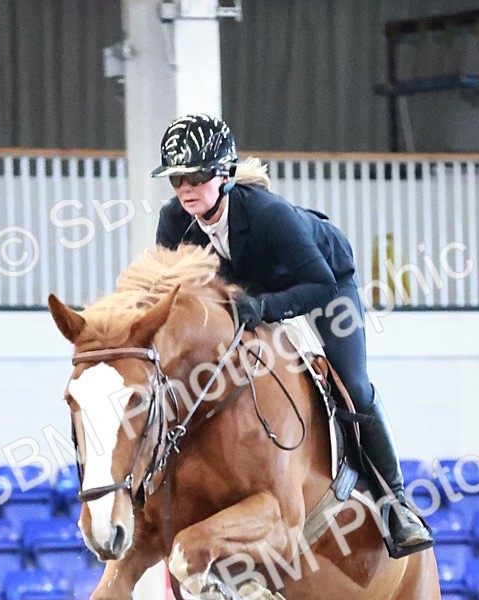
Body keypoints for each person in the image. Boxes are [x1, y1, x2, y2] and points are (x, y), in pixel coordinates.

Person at [152, 113, 433, 556]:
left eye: (197, 175)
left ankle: (394, 502)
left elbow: (318, 283)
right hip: (248, 290)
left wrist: (265, 307)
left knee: (352, 384)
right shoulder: (174, 222)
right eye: (177, 179)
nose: (186, 188)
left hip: (323, 282)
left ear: (223, 174)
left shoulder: (269, 215)